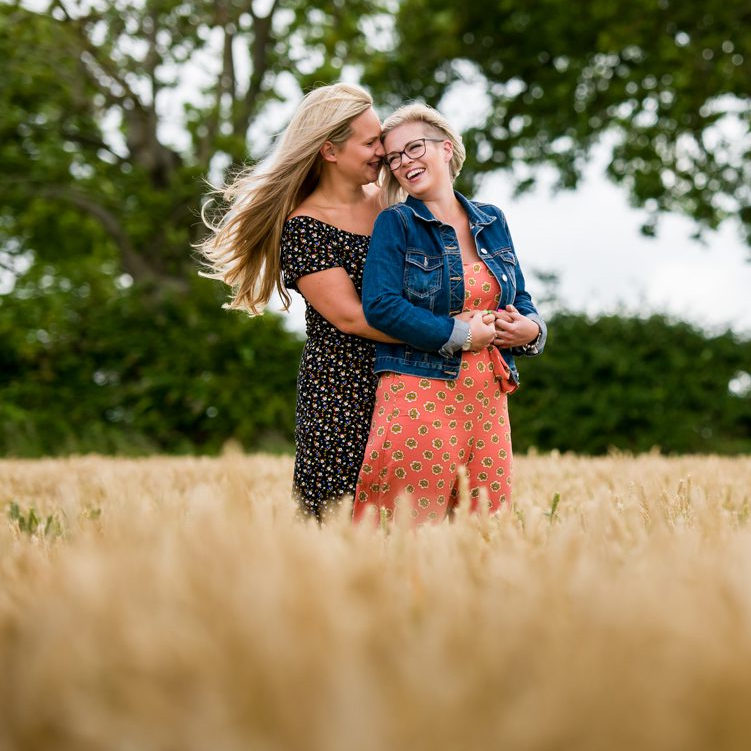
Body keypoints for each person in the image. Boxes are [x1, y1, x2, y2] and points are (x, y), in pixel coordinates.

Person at [199, 83, 400, 519]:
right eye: (370, 142)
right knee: (334, 524)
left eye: (380, 137)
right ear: (329, 150)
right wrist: (446, 333)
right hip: (341, 393)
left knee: (403, 524)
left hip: (404, 380)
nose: (382, 151)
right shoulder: (305, 228)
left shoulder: (391, 203)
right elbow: (349, 317)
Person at [353, 103, 546, 525]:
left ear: (445, 148)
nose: (405, 162)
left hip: (487, 398)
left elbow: (519, 294)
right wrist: (459, 335)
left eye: (414, 147)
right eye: (395, 158)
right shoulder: (397, 223)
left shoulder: (492, 219)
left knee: (484, 531)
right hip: (418, 393)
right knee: (405, 532)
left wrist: (531, 330)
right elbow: (380, 306)